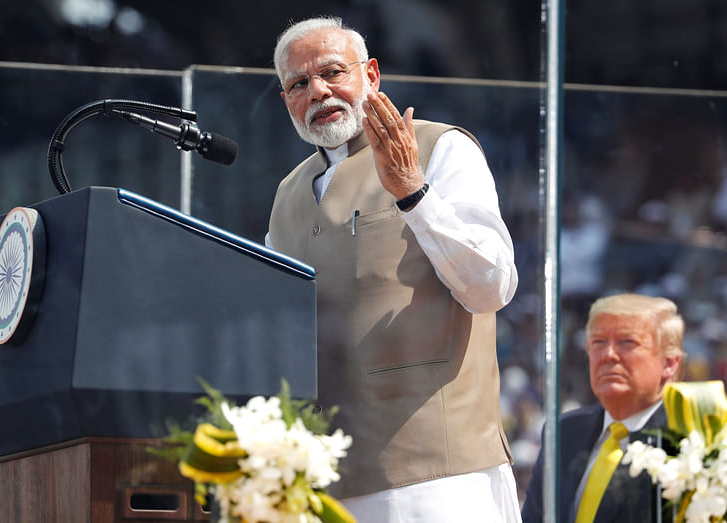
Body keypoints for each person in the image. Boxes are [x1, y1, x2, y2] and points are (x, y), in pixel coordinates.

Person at [265, 15, 520, 522]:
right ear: (286, 101)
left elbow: (493, 285)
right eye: (299, 84)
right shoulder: (285, 197)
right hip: (321, 481)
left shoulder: (440, 148)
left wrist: (413, 193)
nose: (318, 91)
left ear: (372, 75)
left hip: (437, 477)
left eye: (333, 72)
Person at [521, 293, 686, 523]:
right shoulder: (563, 433)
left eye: (627, 342)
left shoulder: (689, 442)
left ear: (669, 363)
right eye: (598, 342)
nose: (608, 355)